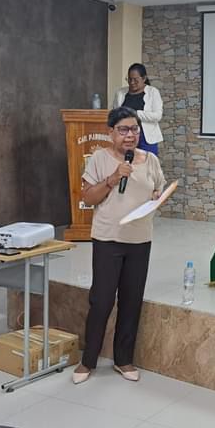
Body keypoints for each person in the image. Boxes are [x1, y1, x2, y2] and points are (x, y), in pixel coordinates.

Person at [73, 107, 166, 385]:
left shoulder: (150, 159)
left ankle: (123, 359)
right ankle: (88, 360)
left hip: (140, 239)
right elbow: (88, 197)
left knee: (131, 300)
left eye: (134, 129)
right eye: (124, 129)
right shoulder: (100, 159)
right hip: (108, 239)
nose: (130, 135)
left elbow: (158, 188)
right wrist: (114, 178)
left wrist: (157, 195)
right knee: (101, 301)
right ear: (111, 132)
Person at [112, 63, 163, 155]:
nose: (132, 82)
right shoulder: (120, 93)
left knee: (147, 162)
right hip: (125, 136)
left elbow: (157, 116)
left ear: (144, 78)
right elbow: (115, 114)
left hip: (146, 138)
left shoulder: (153, 92)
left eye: (135, 80)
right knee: (127, 162)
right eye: (129, 79)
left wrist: (135, 113)